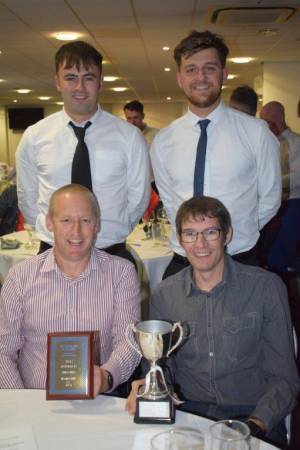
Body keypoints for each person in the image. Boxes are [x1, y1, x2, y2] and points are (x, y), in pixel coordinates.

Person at [126, 196, 300, 449]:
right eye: (190, 234)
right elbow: (160, 365)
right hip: (189, 418)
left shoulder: (265, 288)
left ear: (227, 235)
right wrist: (151, 391)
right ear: (179, 239)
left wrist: (253, 425)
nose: (200, 244)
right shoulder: (165, 294)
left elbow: (284, 379)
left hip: (249, 418)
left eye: (210, 232)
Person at [150, 30, 281, 278]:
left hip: (240, 258)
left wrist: (234, 232)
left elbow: (270, 199)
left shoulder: (257, 133)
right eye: (191, 69)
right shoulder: (163, 141)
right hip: (183, 261)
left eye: (210, 68)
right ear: (179, 78)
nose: (201, 77)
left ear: (224, 73)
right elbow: (170, 203)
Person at [0, 184, 141, 395]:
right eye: (66, 220)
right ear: (49, 222)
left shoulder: (121, 273)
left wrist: (107, 377)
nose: (76, 231)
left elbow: (128, 341)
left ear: (97, 225)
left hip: (100, 400)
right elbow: (3, 350)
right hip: (36, 401)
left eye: (85, 220)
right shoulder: (20, 276)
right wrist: (23, 403)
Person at [16, 41, 150, 262]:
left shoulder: (129, 136)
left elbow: (138, 197)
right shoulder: (35, 136)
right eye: (70, 77)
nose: (79, 87)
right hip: (52, 252)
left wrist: (112, 229)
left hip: (111, 251)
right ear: (57, 82)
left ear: (100, 82)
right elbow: (27, 197)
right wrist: (52, 231)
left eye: (88, 77)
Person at [259, 101, 300, 274]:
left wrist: (269, 181)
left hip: (292, 205)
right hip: (272, 205)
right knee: (269, 254)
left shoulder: (297, 142)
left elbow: (297, 177)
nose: (263, 125)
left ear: (278, 118)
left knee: (282, 255)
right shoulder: (267, 143)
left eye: (266, 120)